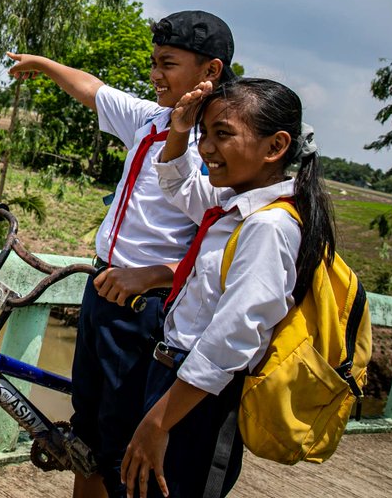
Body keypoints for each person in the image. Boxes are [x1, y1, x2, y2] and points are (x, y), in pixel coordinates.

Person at [7, 10, 235, 498]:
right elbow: (91, 89)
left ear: (210, 71)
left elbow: (225, 248)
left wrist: (152, 276)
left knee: (120, 448)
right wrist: (43, 64)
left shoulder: (219, 146)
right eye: (153, 62)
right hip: (103, 289)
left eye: (168, 63)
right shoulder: (152, 120)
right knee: (88, 437)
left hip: (145, 310)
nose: (155, 74)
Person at [120, 78, 335, 498]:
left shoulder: (269, 226)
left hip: (199, 400)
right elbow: (177, 186)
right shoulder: (235, 204)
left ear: (275, 147)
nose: (206, 149)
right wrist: (180, 131)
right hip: (176, 381)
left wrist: (160, 421)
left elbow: (232, 339)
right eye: (206, 134)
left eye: (223, 135)